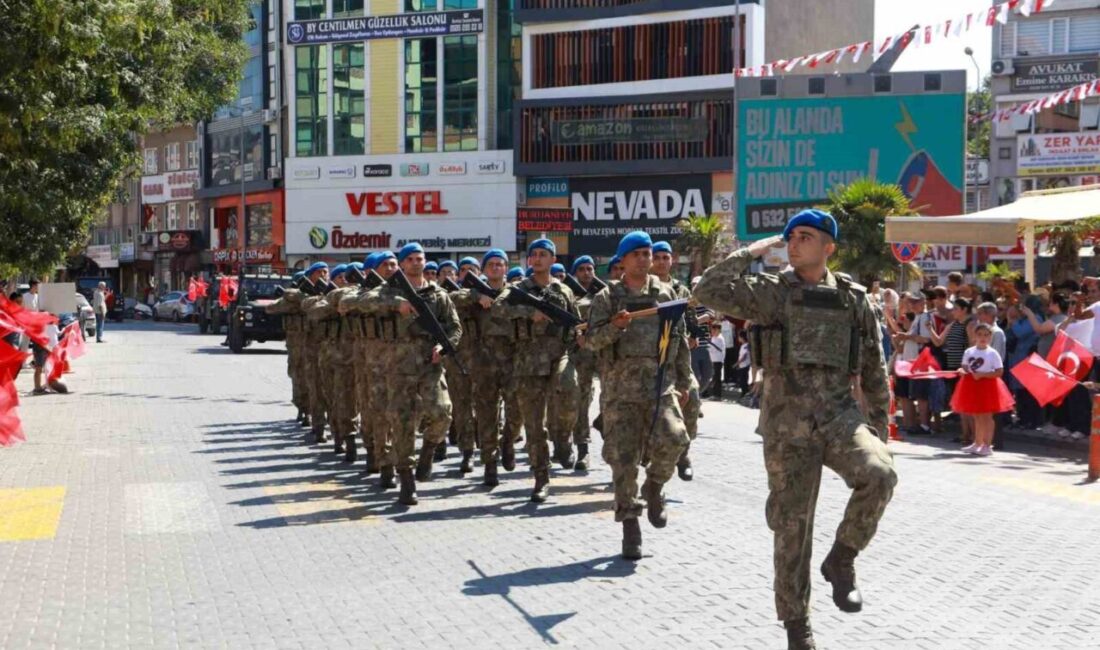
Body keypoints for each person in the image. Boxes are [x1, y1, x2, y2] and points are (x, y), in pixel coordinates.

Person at [693, 209, 896, 650]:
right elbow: (706, 289)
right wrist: (752, 251)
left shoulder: (853, 298)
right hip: (788, 426)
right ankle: (797, 624)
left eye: (806, 236)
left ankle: (842, 559)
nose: (794, 243)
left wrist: (879, 426)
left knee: (880, 472)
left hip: (841, 417)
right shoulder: (771, 293)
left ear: (829, 247)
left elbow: (873, 368)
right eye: (790, 237)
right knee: (792, 528)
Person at [585, 231, 691, 560]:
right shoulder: (608, 297)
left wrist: (685, 379)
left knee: (675, 438)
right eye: (638, 254)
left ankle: (655, 486)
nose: (645, 259)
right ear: (623, 261)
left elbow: (680, 336)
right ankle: (630, 523)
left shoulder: (666, 293)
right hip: (620, 390)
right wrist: (615, 327)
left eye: (647, 253)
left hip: (659, 383)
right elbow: (591, 341)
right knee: (623, 459)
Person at [365, 243, 460, 505]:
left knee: (443, 412)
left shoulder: (438, 294)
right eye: (411, 259)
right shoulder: (388, 291)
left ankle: (428, 450)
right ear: (403, 264)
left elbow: (454, 327)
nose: (417, 263)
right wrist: (398, 304)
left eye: (421, 259)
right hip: (398, 367)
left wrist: (445, 345)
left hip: (430, 365)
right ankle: (406, 479)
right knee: (402, 421)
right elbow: (365, 302)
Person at [493, 238, 580, 502]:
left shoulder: (564, 291)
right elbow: (498, 308)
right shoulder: (519, 289)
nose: (539, 258)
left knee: (569, 393)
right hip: (528, 363)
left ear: (554, 260)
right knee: (532, 423)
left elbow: (575, 321)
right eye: (535, 254)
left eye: (544, 254)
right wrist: (528, 313)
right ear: (530, 260)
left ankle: (564, 440)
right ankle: (541, 476)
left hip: (558, 356)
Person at [950, 323, 1014, 456]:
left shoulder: (992, 353)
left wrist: (982, 375)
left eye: (986, 335)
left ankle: (987, 445)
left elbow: (999, 372)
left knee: (987, 416)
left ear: (990, 337)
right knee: (976, 415)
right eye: (980, 334)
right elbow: (965, 367)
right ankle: (977, 442)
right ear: (974, 336)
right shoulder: (969, 351)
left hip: (988, 386)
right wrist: (962, 371)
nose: (983, 337)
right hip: (972, 385)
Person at [570, 255, 599, 471]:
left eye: (590, 269)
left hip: (605, 355)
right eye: (582, 269)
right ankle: (582, 449)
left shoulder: (606, 295)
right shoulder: (569, 296)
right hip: (580, 358)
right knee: (581, 404)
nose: (587, 273)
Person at [706, 323, 726, 399]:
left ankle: (717, 395)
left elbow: (712, 349)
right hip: (713, 360)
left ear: (718, 330)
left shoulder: (719, 338)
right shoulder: (714, 338)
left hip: (718, 360)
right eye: (712, 330)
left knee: (717, 378)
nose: (712, 332)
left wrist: (708, 345)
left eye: (714, 330)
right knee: (714, 378)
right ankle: (714, 394)